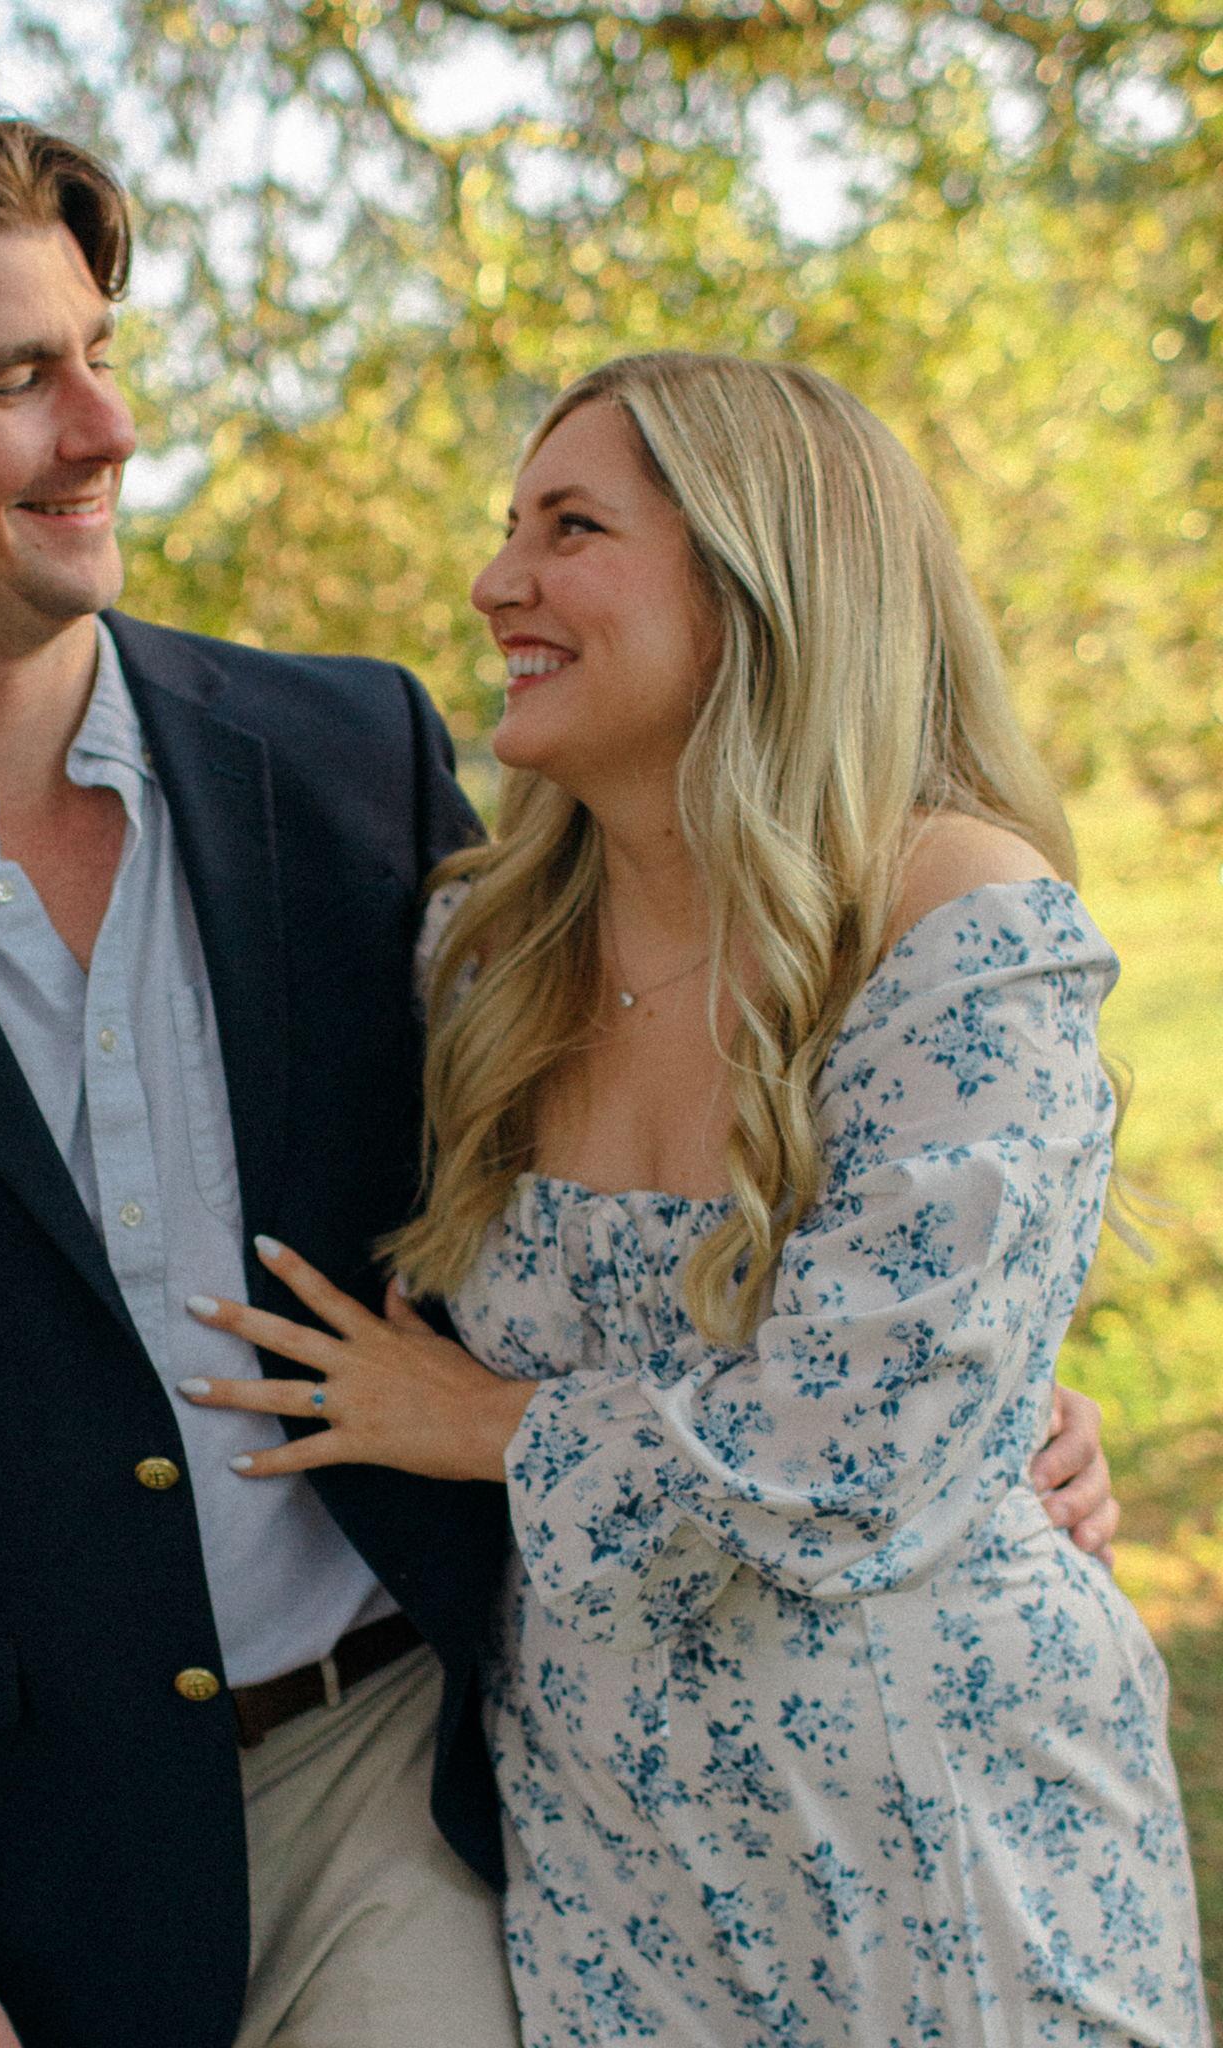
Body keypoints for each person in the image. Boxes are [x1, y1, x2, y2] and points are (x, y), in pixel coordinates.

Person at [0, 89, 1118, 2048]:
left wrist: (982, 1395)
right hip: (32, 1864)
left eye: (100, 353)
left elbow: (619, 1153)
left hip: (410, 1766)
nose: (108, 425)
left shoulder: (346, 757)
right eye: (19, 379)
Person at [180, 352, 1206, 2044]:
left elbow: (859, 1453)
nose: (495, 580)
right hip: (612, 1860)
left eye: (570, 528)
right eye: (509, 526)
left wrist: (486, 1425)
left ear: (757, 581)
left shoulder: (954, 918)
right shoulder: (480, 961)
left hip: (945, 1836)